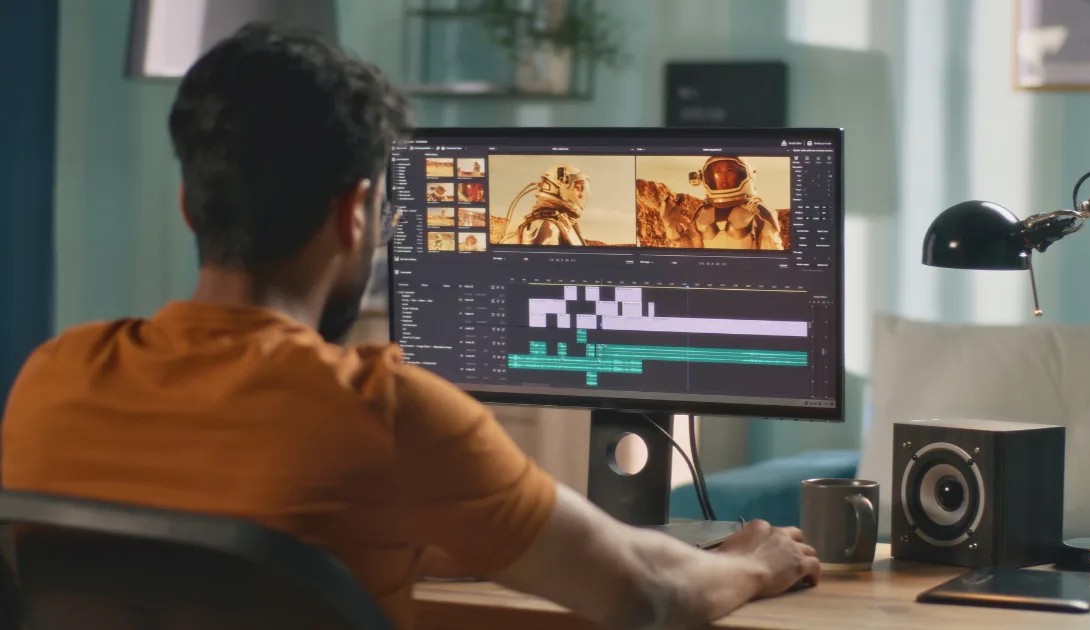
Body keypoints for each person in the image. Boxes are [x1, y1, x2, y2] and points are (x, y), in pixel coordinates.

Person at [0, 23, 819, 630]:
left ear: (189, 203)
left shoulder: (52, 378)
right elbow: (644, 592)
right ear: (356, 213)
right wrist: (756, 563)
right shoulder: (384, 412)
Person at [663, 156, 784, 250]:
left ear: (743, 175)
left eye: (729, 170)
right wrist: (671, 225)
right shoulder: (702, 214)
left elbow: (772, 260)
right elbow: (692, 256)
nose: (722, 177)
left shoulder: (758, 214)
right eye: (717, 171)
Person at [506, 164, 591, 246]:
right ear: (562, 184)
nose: (581, 195)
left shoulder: (563, 223)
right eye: (577, 188)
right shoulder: (545, 226)